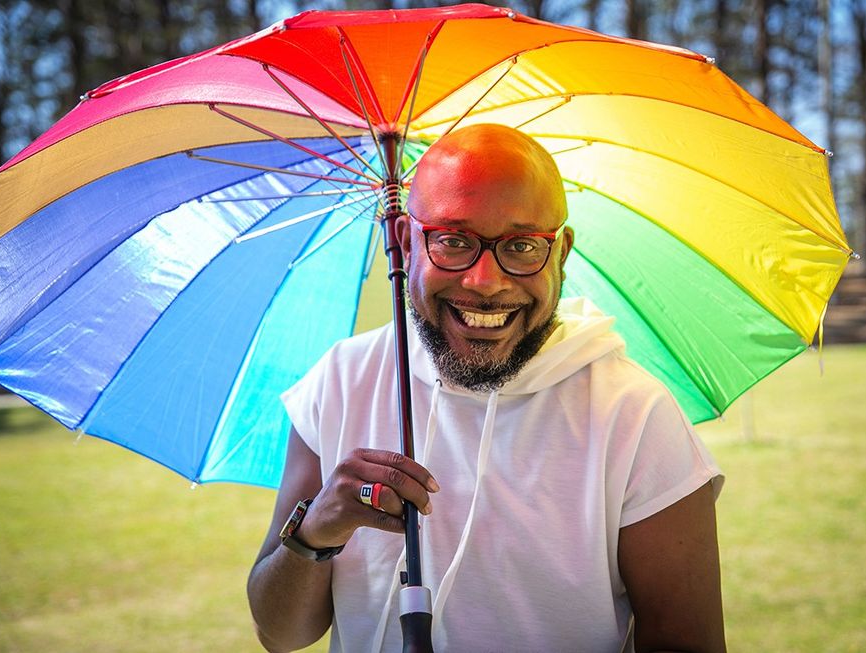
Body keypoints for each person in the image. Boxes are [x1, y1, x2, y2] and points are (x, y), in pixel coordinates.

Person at [247, 124, 726, 653]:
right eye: (453, 240)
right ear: (406, 240)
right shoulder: (339, 382)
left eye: (522, 246)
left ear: (562, 252)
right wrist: (318, 529)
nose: (485, 281)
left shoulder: (633, 415)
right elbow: (280, 633)